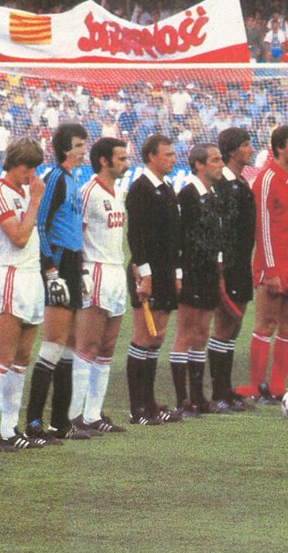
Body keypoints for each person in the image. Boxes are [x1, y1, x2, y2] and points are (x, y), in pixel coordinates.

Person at [24, 123, 93, 440]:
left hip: (73, 263)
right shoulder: (56, 178)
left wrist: (81, 270)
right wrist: (49, 269)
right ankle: (34, 424)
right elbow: (40, 223)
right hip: (58, 263)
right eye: (79, 145)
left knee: (69, 346)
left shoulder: (74, 179)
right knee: (53, 343)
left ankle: (60, 422)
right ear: (66, 148)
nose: (83, 150)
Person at [0, 137, 48, 451]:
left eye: (35, 167)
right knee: (2, 358)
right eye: (27, 166)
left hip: (32, 278)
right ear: (14, 163)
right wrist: (35, 201)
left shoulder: (23, 191)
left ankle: (10, 428)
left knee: (21, 360)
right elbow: (18, 237)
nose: (31, 173)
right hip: (11, 275)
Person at [66, 137, 131, 432]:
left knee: (106, 347)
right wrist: (79, 275)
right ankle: (73, 414)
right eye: (120, 158)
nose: (126, 163)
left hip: (116, 272)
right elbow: (74, 237)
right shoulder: (88, 192)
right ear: (104, 161)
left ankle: (93, 414)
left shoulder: (117, 192)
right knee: (87, 345)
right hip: (95, 272)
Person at [246, 125, 288, 401]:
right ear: (279, 148)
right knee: (266, 324)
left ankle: (277, 386)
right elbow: (264, 228)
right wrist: (270, 270)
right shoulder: (267, 179)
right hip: (272, 267)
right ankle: (256, 386)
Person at [125, 133, 182, 425]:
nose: (173, 159)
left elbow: (174, 237)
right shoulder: (140, 189)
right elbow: (136, 237)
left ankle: (151, 404)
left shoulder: (167, 188)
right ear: (151, 157)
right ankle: (138, 409)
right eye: (168, 154)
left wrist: (177, 272)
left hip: (166, 271)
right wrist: (144, 274)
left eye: (173, 154)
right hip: (147, 272)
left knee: (156, 337)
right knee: (142, 336)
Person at [170, 144, 226, 416]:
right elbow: (178, 237)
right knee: (185, 332)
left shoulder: (212, 194)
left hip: (207, 272)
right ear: (199, 164)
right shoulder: (188, 194)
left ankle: (198, 397)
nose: (221, 164)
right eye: (215, 160)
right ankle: (182, 400)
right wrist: (179, 273)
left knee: (202, 332)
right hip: (190, 271)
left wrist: (218, 266)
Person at [207, 127, 256, 411]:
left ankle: (225, 390)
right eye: (246, 145)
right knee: (224, 326)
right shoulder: (223, 185)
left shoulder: (239, 182)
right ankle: (219, 393)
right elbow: (219, 228)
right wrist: (221, 266)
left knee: (234, 326)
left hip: (242, 261)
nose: (251, 149)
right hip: (229, 263)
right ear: (234, 150)